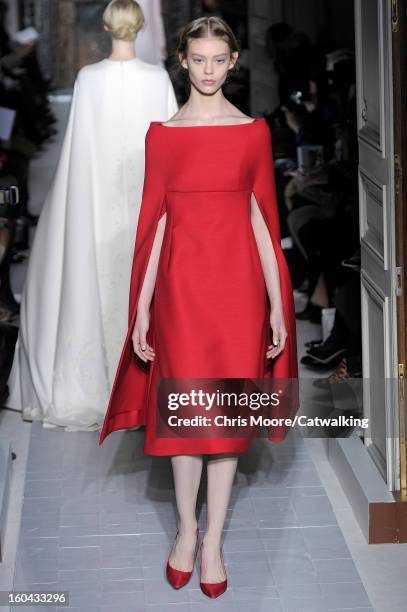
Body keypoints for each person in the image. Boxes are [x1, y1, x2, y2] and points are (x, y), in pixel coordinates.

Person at [99, 16, 298, 598]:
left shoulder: (253, 133)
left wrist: (278, 306)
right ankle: (186, 531)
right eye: (199, 60)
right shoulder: (162, 134)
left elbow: (264, 221)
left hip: (238, 291)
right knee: (187, 414)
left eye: (219, 60)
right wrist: (141, 308)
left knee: (227, 419)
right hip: (181, 289)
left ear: (233, 62)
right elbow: (152, 228)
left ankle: (213, 541)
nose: (208, 70)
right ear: (182, 62)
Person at [6, 0, 178, 430]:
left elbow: (78, 149)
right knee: (144, 279)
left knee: (96, 275)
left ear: (106, 27)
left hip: (96, 195)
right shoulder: (156, 78)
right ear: (139, 27)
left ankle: (98, 386)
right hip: (144, 195)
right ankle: (144, 385)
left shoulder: (88, 78)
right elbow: (173, 141)